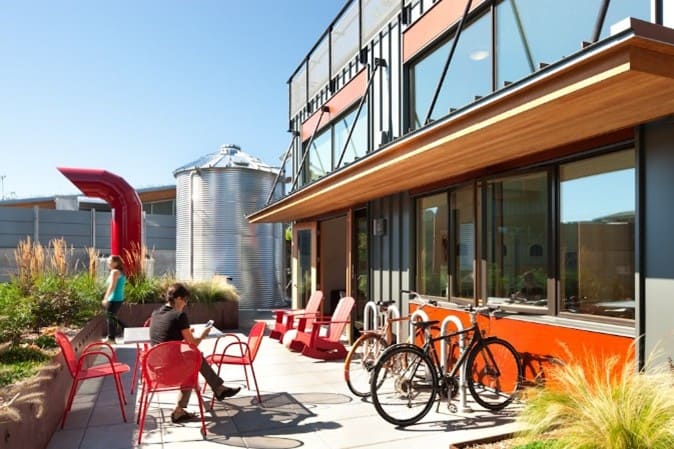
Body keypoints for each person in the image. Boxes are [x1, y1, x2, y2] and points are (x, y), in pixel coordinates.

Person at [149, 282, 240, 423]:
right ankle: (216, 390)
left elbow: (166, 337)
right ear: (178, 299)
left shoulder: (155, 313)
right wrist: (203, 334)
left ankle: (218, 389)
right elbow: (193, 343)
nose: (186, 304)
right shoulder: (179, 316)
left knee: (194, 357)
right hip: (172, 373)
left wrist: (184, 333)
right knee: (195, 360)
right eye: (186, 300)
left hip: (155, 370)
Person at [102, 255, 127, 343]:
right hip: (118, 298)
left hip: (114, 298)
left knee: (110, 317)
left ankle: (111, 338)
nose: (108, 263)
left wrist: (105, 298)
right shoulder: (119, 272)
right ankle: (125, 329)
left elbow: (112, 286)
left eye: (110, 261)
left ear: (116, 263)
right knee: (112, 316)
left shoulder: (115, 272)